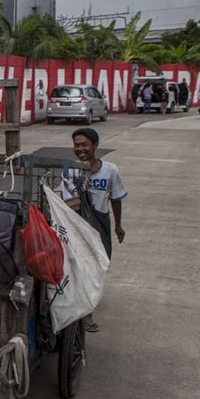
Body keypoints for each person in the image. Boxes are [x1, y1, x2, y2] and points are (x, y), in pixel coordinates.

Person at [68, 127, 127, 332]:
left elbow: (116, 199)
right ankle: (86, 313)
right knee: (80, 267)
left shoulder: (110, 170)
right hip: (76, 225)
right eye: (76, 145)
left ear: (95, 145)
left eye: (84, 144)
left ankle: (87, 305)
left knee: (97, 267)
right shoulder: (70, 169)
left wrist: (118, 226)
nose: (80, 148)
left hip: (99, 225)